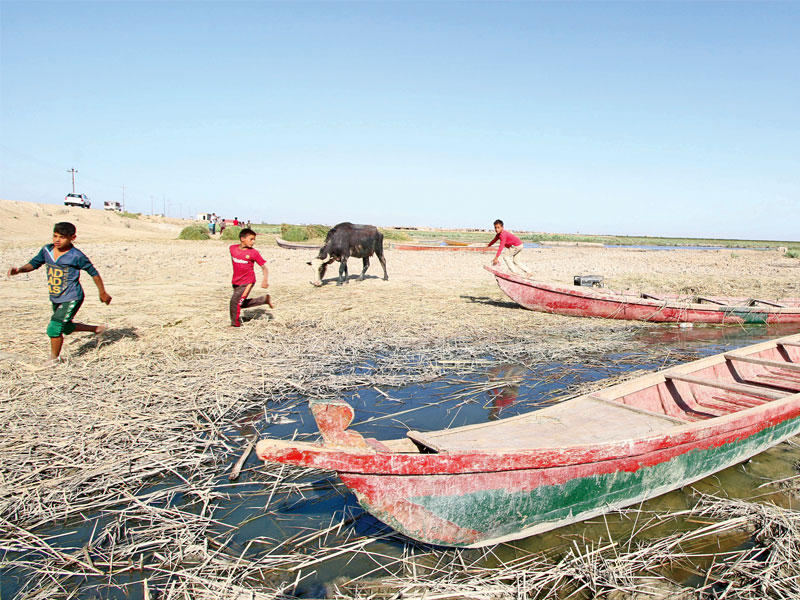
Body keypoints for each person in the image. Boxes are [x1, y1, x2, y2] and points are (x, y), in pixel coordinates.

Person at [7, 222, 112, 361]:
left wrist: (102, 292)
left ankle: (53, 360)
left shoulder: (76, 256)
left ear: (72, 238)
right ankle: (97, 329)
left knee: (54, 328)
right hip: (56, 296)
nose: (57, 240)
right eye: (55, 236)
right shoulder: (47, 250)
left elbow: (94, 273)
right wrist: (20, 270)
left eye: (62, 237)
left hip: (72, 296)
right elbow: (34, 263)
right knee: (66, 326)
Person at [229, 227, 273, 327]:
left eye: (254, 240)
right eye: (251, 239)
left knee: (234, 303)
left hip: (248, 282)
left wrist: (265, 280)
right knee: (240, 302)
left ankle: (235, 325)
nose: (253, 242)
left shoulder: (254, 253)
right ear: (242, 239)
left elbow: (264, 268)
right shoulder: (232, 249)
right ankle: (264, 299)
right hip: (236, 281)